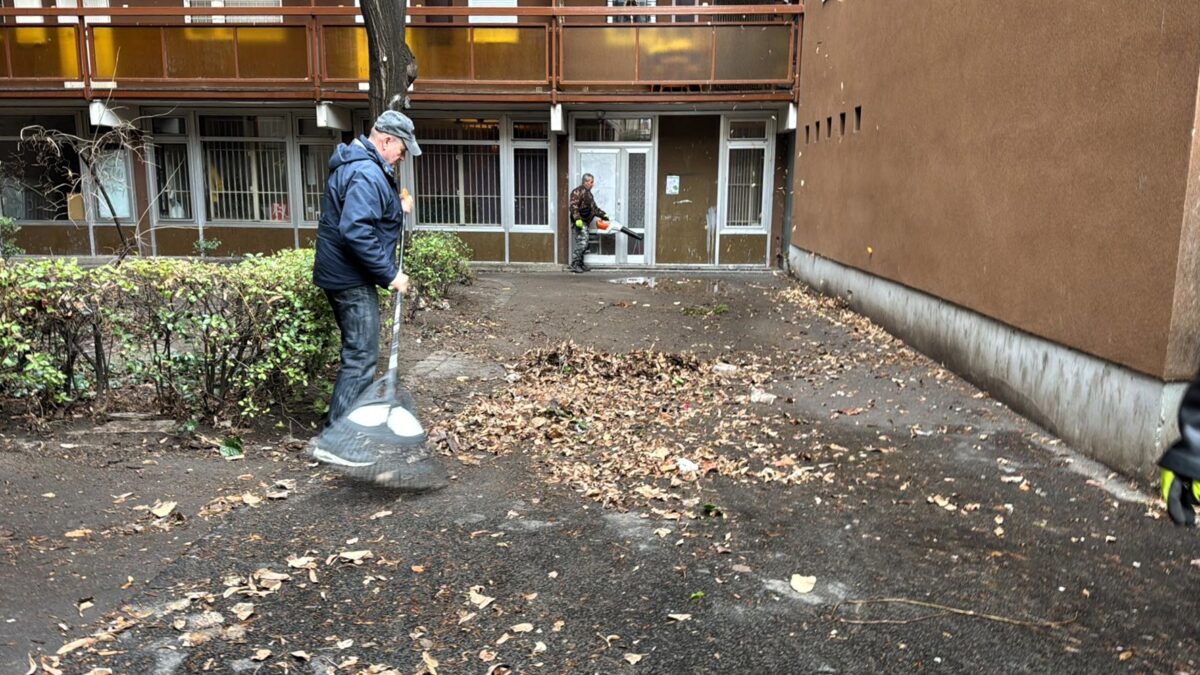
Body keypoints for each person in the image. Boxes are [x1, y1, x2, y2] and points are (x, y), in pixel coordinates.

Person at [310, 110, 421, 465]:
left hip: (345, 273)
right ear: (386, 140)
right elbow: (356, 230)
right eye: (402, 149)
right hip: (350, 277)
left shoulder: (364, 165)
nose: (403, 156)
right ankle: (336, 441)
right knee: (360, 357)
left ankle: (336, 432)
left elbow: (366, 214)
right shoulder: (365, 171)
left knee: (358, 355)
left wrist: (396, 207)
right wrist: (390, 274)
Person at [567, 172, 607, 273]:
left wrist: (603, 215)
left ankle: (580, 263)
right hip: (579, 222)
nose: (592, 184)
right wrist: (577, 219)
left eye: (592, 182)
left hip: (585, 222)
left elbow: (594, 209)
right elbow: (573, 206)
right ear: (585, 182)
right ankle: (575, 264)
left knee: (584, 243)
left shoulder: (589, 194)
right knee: (582, 243)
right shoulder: (577, 191)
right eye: (591, 182)